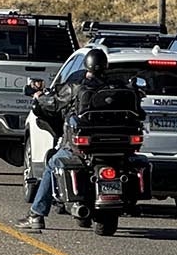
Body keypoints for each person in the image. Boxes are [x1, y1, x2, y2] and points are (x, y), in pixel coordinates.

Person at [16, 49, 113, 231]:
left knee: (53, 164)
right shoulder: (115, 87)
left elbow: (52, 103)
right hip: (116, 147)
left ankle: (36, 214)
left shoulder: (77, 87)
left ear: (87, 65)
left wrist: (38, 96)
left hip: (83, 146)